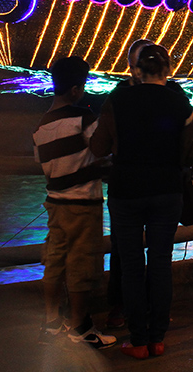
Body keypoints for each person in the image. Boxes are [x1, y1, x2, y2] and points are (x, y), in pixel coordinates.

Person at [90, 44, 193, 359]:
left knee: (133, 264)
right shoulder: (180, 102)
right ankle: (157, 338)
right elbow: (189, 151)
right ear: (168, 70)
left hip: (126, 192)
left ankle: (137, 341)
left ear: (137, 70)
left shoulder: (118, 99)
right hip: (167, 190)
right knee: (161, 262)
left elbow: (98, 147)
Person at [32, 56, 117, 349]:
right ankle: (81, 326)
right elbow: (102, 148)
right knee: (82, 265)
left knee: (54, 262)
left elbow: (45, 165)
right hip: (83, 205)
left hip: (54, 205)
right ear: (75, 90)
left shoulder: (41, 127)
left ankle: (52, 321)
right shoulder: (84, 119)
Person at [104, 37, 154, 330]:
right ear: (130, 66)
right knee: (123, 250)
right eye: (139, 64)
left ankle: (150, 309)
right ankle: (122, 306)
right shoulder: (118, 95)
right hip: (130, 186)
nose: (142, 70)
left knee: (155, 252)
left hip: (152, 186)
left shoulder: (169, 94)